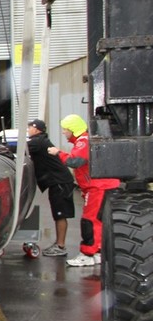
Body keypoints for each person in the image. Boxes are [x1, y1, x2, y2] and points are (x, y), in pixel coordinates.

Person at [48, 114, 120, 267]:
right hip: (102, 185)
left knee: (89, 220)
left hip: (98, 187)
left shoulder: (83, 141)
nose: (63, 132)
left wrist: (58, 153)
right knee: (98, 220)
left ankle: (87, 253)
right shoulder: (87, 140)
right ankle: (98, 251)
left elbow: (75, 161)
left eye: (65, 129)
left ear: (73, 129)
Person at [25, 119, 75, 257]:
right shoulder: (41, 140)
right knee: (58, 213)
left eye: (29, 128)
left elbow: (19, 147)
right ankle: (59, 244)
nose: (28, 130)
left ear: (36, 129)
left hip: (59, 182)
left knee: (60, 214)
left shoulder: (37, 141)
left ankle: (60, 246)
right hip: (59, 181)